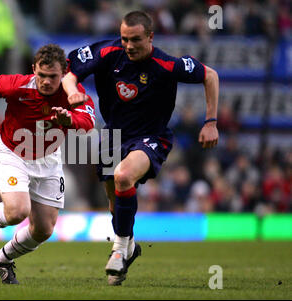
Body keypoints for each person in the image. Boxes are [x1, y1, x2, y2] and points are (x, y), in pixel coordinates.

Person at [62, 11, 219, 286]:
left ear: (150, 37)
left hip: (151, 136)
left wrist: (211, 122)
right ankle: (129, 246)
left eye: (136, 39)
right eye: (125, 38)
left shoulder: (167, 64)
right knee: (114, 203)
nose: (129, 45)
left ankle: (119, 250)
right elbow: (68, 72)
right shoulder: (107, 52)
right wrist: (72, 89)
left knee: (123, 177)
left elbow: (211, 76)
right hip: (112, 136)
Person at [0, 44, 95, 284]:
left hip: (48, 160)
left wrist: (70, 120)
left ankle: (2, 259)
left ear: (64, 73)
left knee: (43, 230)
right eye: (42, 75)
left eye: (53, 77)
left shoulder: (73, 91)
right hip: (13, 153)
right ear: (33, 69)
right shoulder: (17, 85)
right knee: (17, 211)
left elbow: (88, 121)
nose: (46, 82)